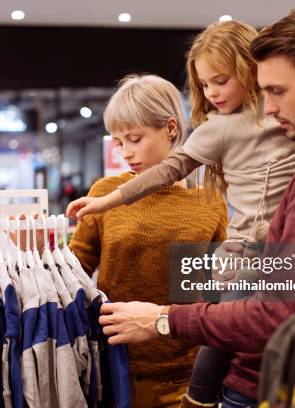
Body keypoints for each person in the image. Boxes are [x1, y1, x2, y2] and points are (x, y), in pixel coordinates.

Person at [67, 19, 295, 407]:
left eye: (277, 90)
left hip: (258, 370)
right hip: (154, 356)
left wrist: (164, 318)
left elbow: (280, 309)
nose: (268, 107)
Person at [68, 74, 229, 407]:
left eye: (134, 139)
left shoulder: (209, 201)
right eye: (118, 142)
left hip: (188, 374)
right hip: (117, 368)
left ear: (171, 128)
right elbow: (74, 272)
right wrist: (37, 251)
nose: (126, 152)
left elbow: (217, 291)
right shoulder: (104, 194)